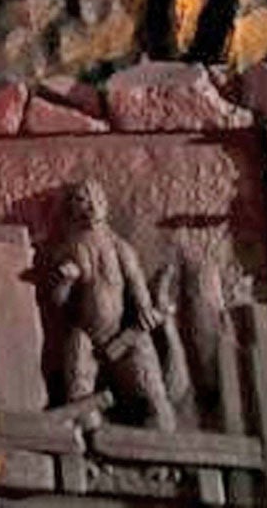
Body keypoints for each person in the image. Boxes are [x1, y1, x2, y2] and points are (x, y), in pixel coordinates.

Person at [42, 180, 177, 429]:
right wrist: (66, 281)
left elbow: (136, 281)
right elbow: (57, 302)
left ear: (105, 205)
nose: (91, 207)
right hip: (87, 337)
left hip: (124, 334)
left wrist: (146, 311)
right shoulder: (68, 249)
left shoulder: (120, 247)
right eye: (83, 201)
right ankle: (90, 438)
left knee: (156, 402)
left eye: (96, 200)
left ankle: (159, 440)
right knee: (80, 399)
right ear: (72, 209)